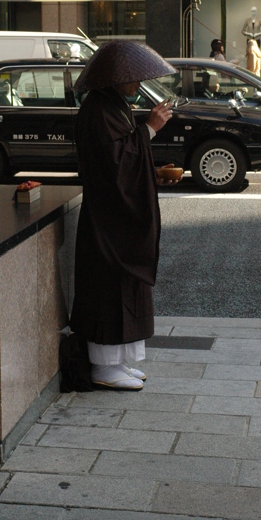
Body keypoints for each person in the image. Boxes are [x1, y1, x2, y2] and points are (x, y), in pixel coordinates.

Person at [69, 41, 178, 390]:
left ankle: (123, 361)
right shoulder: (98, 110)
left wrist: (152, 170)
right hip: (108, 222)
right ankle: (104, 367)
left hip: (117, 218)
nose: (137, 83)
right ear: (115, 79)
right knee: (109, 290)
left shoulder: (113, 105)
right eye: (132, 78)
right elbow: (117, 163)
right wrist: (151, 128)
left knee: (125, 288)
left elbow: (127, 158)